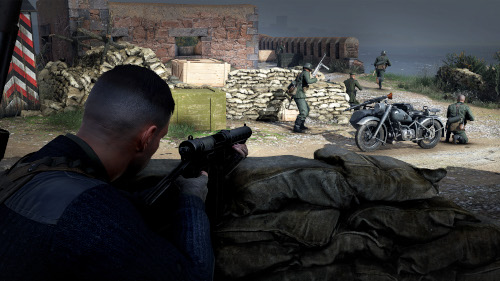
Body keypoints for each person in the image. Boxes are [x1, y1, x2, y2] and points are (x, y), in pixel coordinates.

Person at [0, 65, 248, 280]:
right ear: (147, 137)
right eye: (159, 138)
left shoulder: (37, 164)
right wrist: (192, 199)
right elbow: (194, 276)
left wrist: (184, 182)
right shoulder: (97, 216)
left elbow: (122, 203)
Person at [293, 62, 318, 133]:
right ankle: (297, 127)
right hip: (299, 95)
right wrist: (315, 79)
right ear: (309, 69)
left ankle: (301, 125)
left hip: (300, 94)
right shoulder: (305, 73)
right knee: (304, 112)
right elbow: (308, 81)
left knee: (307, 109)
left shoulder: (302, 73)